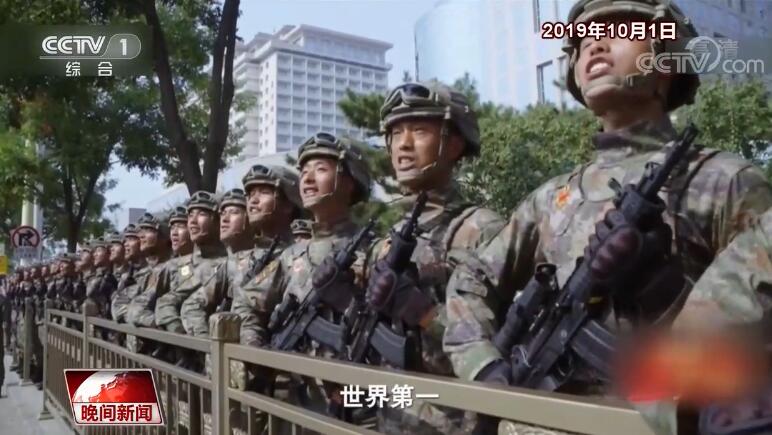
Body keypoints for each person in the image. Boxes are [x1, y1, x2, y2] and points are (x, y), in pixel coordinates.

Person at [442, 0, 772, 433]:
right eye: (584, 42)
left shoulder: (725, 181)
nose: (596, 44)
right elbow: (471, 278)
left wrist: (665, 293)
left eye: (623, 31)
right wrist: (484, 367)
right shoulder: (551, 198)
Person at [353, 80, 506, 434]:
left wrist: (425, 314)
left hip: (454, 422)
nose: (403, 145)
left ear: (454, 144)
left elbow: (504, 342)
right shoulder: (388, 239)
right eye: (395, 134)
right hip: (393, 416)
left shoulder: (482, 229)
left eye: (419, 131)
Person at [238, 132, 372, 422]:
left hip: (355, 401)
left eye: (321, 169)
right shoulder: (291, 256)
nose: (308, 179)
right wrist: (256, 351)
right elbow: (246, 304)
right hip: (296, 400)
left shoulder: (372, 250)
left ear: (350, 181)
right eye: (304, 172)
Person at [180, 189, 253, 337]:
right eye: (223, 213)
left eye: (233, 212)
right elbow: (191, 306)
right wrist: (206, 344)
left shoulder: (273, 258)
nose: (224, 219)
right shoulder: (224, 267)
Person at [154, 191, 226, 337]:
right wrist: (177, 332)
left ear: (218, 220)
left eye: (201, 214)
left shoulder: (227, 264)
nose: (192, 221)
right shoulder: (176, 266)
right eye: (190, 215)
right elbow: (164, 302)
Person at [126, 212, 173, 329]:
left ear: (164, 236)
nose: (141, 236)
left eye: (148, 230)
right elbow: (118, 303)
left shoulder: (172, 268)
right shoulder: (145, 272)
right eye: (141, 231)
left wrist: (161, 326)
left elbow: (136, 311)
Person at [111, 224, 149, 323]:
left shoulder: (151, 271)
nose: (126, 244)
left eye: (131, 239)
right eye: (125, 240)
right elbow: (116, 308)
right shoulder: (127, 275)